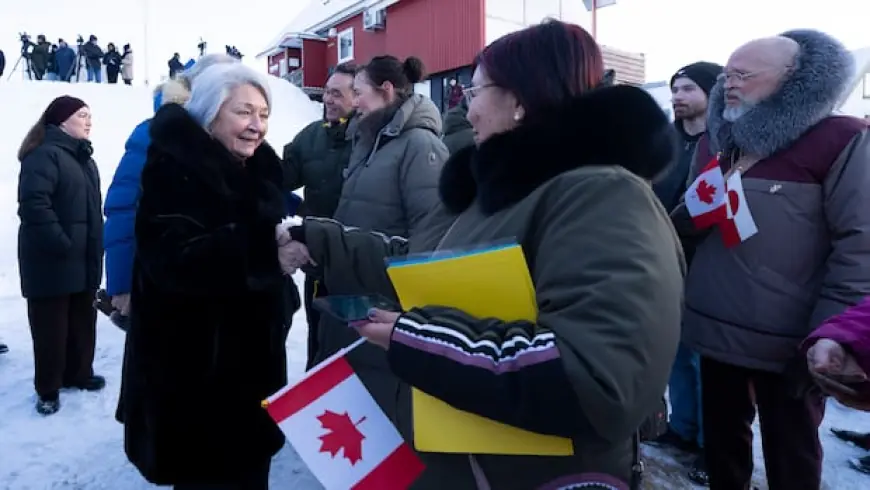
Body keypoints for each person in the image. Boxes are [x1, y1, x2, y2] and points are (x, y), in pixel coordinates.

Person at [278, 19, 682, 489]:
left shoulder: (603, 197)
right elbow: (428, 265)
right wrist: (322, 239)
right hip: (465, 461)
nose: (465, 112)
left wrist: (417, 339)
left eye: (475, 93)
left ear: (519, 101)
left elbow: (598, 377)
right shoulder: (501, 191)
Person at [671, 29, 870, 490]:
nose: (729, 84)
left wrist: (832, 334)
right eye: (727, 74)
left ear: (793, 79)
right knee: (723, 445)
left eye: (743, 74)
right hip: (714, 327)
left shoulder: (841, 139)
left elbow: (860, 247)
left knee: (791, 452)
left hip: (791, 340)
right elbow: (693, 224)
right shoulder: (722, 144)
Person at [118, 63, 288, 489]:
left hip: (248, 380)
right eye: (244, 113)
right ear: (211, 113)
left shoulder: (255, 171)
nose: (256, 126)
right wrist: (269, 252)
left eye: (264, 114)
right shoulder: (174, 171)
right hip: (197, 385)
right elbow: (173, 262)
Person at [305, 54, 448, 423]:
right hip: (351, 298)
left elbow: (430, 240)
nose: (354, 102)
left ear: (385, 91)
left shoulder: (420, 147)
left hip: (383, 306)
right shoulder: (369, 141)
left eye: (359, 92)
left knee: (379, 420)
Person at [102, 54, 239, 332]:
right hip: (164, 282)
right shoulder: (154, 133)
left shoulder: (233, 133)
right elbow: (123, 207)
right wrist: (122, 284)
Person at [649, 60, 722, 485]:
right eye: (675, 88)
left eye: (688, 88)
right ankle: (683, 430)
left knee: (703, 359)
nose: (677, 96)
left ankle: (714, 443)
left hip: (708, 260)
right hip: (664, 256)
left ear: (712, 93)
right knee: (675, 349)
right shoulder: (665, 142)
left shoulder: (723, 143)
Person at [17, 96, 105, 416]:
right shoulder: (44, 155)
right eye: (82, 115)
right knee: (50, 327)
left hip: (83, 256)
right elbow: (34, 205)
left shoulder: (84, 158)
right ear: (61, 120)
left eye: (90, 115)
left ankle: (78, 374)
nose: (88, 120)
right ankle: (48, 389)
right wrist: (61, 243)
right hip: (51, 260)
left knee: (82, 319)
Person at [282, 61, 356, 370]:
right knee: (319, 336)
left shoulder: (370, 137)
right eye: (327, 92)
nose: (328, 100)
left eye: (337, 94)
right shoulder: (310, 137)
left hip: (357, 261)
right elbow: (276, 182)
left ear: (358, 96)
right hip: (317, 260)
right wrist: (295, 207)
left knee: (352, 342)